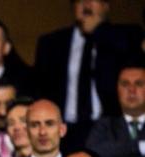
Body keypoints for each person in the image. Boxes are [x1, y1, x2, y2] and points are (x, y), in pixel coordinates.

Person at [35, 0, 143, 146]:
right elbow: (40, 89)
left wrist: (99, 30)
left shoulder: (127, 35)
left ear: (106, 5)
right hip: (65, 133)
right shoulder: (51, 43)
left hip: (111, 131)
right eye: (80, 1)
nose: (86, 4)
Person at [86, 61, 145, 157]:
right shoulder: (104, 125)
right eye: (125, 84)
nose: (131, 90)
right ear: (117, 89)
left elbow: (108, 155)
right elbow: (94, 154)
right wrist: (140, 147)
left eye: (139, 84)